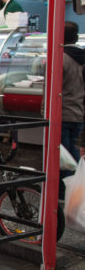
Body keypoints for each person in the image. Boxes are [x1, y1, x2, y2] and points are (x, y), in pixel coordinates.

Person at [61, 21, 85, 164]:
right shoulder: (82, 57)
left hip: (62, 114)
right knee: (75, 156)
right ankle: (76, 185)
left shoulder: (60, 59)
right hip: (79, 112)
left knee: (64, 160)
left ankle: (66, 186)